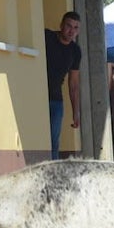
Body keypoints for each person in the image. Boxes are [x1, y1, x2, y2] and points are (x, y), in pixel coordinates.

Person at [45, 11, 82, 160]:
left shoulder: (75, 51)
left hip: (56, 100)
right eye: (68, 25)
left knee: (53, 142)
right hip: (38, 96)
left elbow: (73, 83)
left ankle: (53, 176)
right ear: (61, 25)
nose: (71, 30)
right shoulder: (47, 37)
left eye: (75, 27)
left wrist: (76, 112)